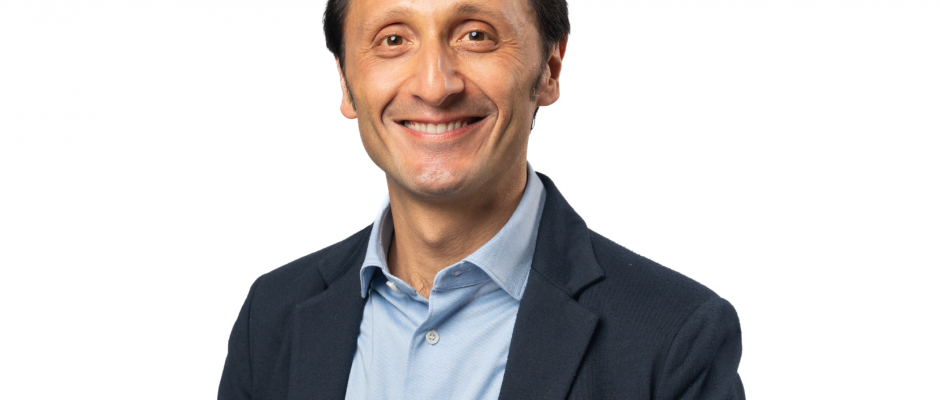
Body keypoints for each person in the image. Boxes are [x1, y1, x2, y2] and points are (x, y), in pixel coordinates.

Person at [219, 0, 745, 398]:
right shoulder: (271, 316)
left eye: (476, 35)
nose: (434, 86)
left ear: (550, 67)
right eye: (393, 39)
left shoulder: (674, 338)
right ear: (344, 79)